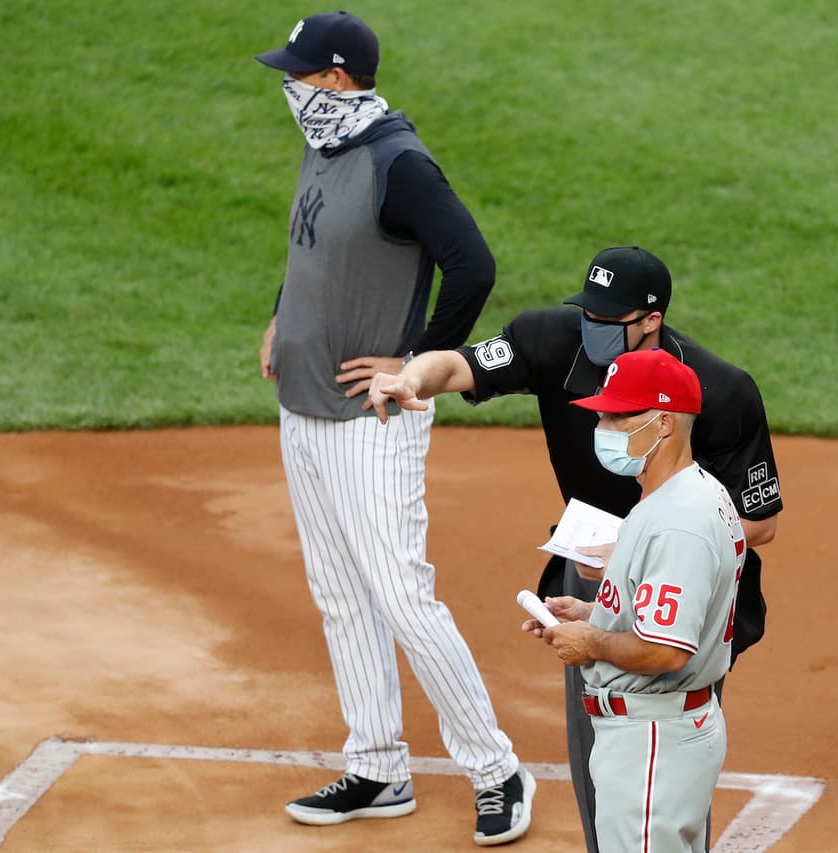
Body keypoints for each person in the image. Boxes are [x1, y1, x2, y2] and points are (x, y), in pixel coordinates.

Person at [366, 245, 783, 851]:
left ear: (650, 321)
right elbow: (455, 367)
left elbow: (759, 522)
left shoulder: (718, 391)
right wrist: (410, 378)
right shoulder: (554, 339)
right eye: (588, 314)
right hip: (590, 576)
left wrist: (638, 544)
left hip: (685, 571)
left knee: (665, 741)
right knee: (600, 753)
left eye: (608, 322)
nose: (591, 330)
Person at [253, 10, 534, 846]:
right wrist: (282, 314)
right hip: (303, 408)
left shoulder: (396, 162)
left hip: (374, 420)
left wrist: (414, 360)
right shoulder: (326, 144)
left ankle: (497, 770)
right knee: (341, 596)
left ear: (338, 80)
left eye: (300, 73)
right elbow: (314, 249)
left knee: (403, 597)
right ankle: (377, 765)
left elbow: (472, 262)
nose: (289, 86)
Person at [526, 347, 746, 853]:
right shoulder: (688, 493)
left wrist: (592, 643)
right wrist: (588, 614)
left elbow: (667, 651)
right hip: (661, 731)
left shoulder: (677, 521)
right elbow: (660, 607)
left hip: (653, 739)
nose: (602, 424)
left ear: (665, 422)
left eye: (618, 414)